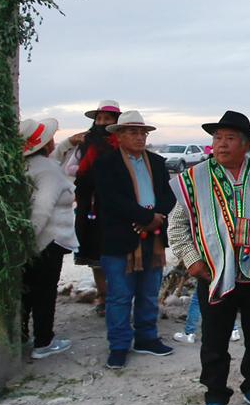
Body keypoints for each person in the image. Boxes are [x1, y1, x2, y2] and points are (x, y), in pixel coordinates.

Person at [168, 111, 250, 405]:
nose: (221, 145)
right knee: (214, 339)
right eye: (217, 138)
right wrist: (191, 259)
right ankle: (215, 395)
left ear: (246, 145)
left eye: (229, 139)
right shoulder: (195, 179)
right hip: (213, 273)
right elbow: (178, 223)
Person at [92, 110, 177, 369]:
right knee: (119, 295)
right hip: (120, 238)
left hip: (153, 236)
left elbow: (169, 194)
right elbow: (111, 199)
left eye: (143, 132)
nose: (140, 137)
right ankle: (118, 345)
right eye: (133, 132)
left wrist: (157, 216)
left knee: (149, 292)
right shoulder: (106, 164)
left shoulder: (157, 162)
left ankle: (147, 337)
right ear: (118, 135)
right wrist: (144, 217)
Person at [20, 117, 76, 359]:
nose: (54, 141)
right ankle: (44, 341)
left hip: (37, 242)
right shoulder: (48, 170)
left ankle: (21, 337)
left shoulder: (29, 165)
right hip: (48, 241)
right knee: (45, 293)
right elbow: (41, 209)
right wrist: (30, 242)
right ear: (44, 144)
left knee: (27, 294)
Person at [63, 100, 121, 315]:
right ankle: (102, 296)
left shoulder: (121, 143)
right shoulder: (86, 143)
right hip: (90, 204)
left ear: (116, 121)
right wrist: (93, 168)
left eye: (107, 119)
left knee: (115, 252)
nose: (102, 122)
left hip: (114, 204)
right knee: (95, 254)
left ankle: (117, 296)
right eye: (99, 118)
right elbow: (70, 168)